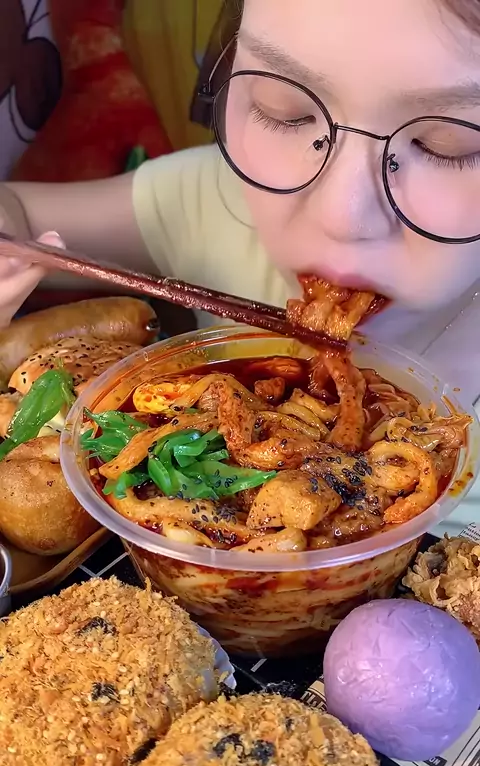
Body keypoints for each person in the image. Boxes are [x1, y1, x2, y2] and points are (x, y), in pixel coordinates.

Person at [0, 0, 479, 535]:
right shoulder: (215, 205)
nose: (341, 215)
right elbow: (19, 219)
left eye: (447, 145)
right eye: (285, 110)